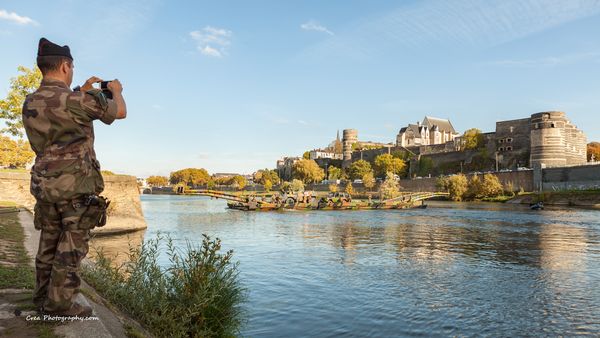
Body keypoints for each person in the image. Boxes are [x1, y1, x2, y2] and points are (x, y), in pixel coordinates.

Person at [21, 38, 127, 316]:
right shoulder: (77, 100)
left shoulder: (30, 101)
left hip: (44, 186)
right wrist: (115, 91)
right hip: (75, 187)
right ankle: (59, 307)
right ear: (66, 66)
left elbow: (59, 112)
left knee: (48, 244)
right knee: (70, 248)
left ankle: (41, 297)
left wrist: (81, 90)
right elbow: (119, 113)